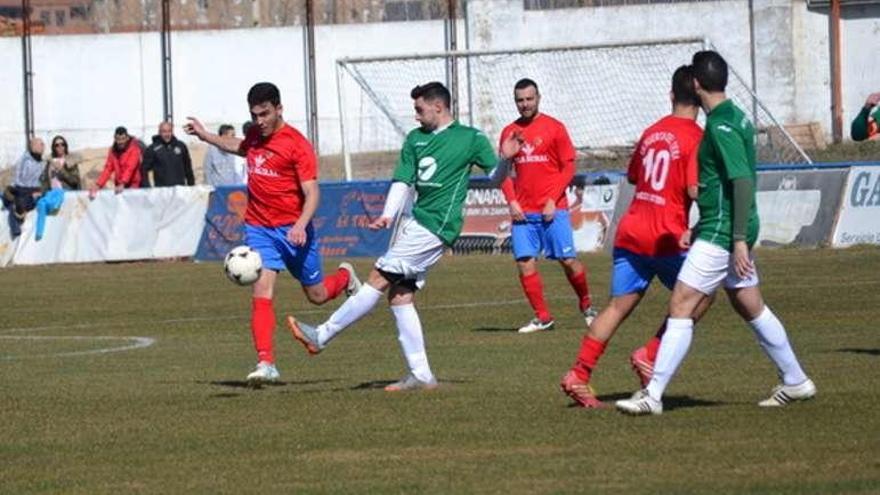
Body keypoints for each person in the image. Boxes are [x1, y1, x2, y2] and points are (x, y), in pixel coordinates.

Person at [616, 51, 816, 416]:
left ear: (695, 83)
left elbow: (740, 181)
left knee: (681, 304)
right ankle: (795, 380)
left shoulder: (721, 126)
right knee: (749, 304)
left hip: (724, 231)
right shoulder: (735, 116)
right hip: (722, 226)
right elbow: (725, 184)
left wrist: (737, 238)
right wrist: (700, 226)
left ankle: (653, 394)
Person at [285, 81, 513, 391]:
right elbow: (402, 181)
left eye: (420, 110)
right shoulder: (415, 140)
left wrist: (507, 159)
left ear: (438, 106)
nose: (416, 116)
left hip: (437, 227)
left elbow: (496, 177)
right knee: (400, 295)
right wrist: (387, 215)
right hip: (416, 223)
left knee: (378, 277)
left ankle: (321, 336)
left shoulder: (470, 138)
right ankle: (421, 375)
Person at [184, 82, 360, 384]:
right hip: (260, 228)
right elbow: (239, 146)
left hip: (295, 230)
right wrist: (205, 136)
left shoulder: (297, 144)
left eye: (265, 114)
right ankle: (266, 362)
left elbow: (312, 192)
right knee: (261, 290)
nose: (259, 121)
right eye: (254, 115)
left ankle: (345, 277)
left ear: (279, 109)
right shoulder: (254, 135)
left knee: (317, 296)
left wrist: (301, 224)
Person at [559, 65, 713, 408]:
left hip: (631, 231)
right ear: (700, 99)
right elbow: (693, 187)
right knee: (702, 294)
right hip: (667, 235)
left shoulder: (651, 132)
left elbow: (632, 177)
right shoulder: (696, 138)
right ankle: (651, 353)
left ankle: (579, 374)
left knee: (616, 307)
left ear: (671, 95)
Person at [498, 79, 596, 334]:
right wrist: (512, 201)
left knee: (568, 260)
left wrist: (553, 199)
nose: (525, 104)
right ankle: (543, 317)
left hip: (553, 210)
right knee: (524, 262)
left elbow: (569, 167)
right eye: (520, 100)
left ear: (538, 98)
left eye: (529, 99)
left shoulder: (555, 128)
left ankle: (586, 305)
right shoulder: (509, 131)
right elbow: (503, 173)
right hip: (523, 213)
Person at [35, 135, 82, 240]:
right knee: (40, 204)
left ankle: (54, 206)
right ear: (53, 147)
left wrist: (61, 170)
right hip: (51, 193)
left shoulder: (70, 161)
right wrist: (40, 191)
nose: (60, 147)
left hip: (65, 192)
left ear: (66, 146)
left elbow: (75, 181)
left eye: (62, 144)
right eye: (57, 145)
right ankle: (39, 233)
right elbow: (44, 181)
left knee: (57, 195)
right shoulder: (50, 162)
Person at [2, 137, 45, 238]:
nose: (43, 146)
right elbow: (18, 178)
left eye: (43, 144)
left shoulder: (42, 161)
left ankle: (17, 210)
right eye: (40, 144)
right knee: (19, 202)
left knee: (28, 201)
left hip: (34, 189)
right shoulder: (25, 160)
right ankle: (15, 228)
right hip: (22, 188)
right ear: (32, 146)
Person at [89, 126, 143, 199]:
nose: (120, 142)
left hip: (133, 184)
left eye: (123, 139)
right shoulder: (113, 151)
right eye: (118, 139)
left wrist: (123, 183)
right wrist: (98, 185)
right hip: (119, 185)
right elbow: (108, 169)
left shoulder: (134, 149)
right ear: (114, 138)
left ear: (127, 138)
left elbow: (130, 168)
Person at [142, 121, 195, 187]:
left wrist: (191, 184)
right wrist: (147, 186)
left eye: (169, 131)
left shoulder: (181, 146)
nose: (167, 134)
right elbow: (144, 169)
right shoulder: (152, 149)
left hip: (179, 188)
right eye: (164, 131)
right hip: (162, 189)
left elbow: (188, 167)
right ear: (159, 132)